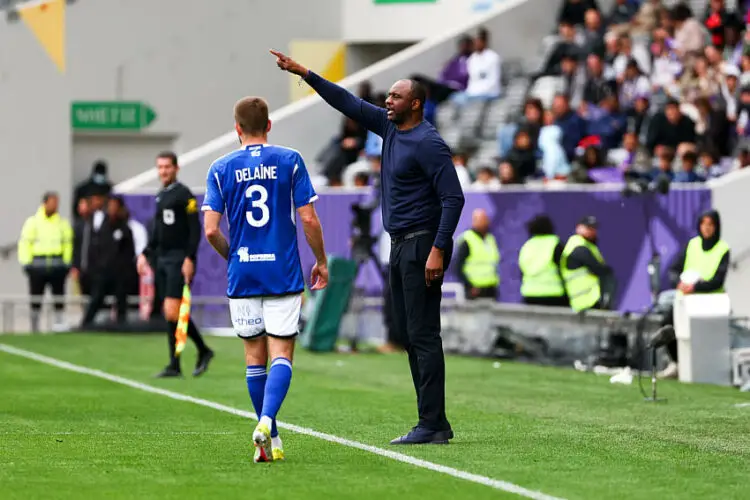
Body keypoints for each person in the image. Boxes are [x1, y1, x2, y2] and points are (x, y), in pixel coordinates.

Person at [271, 48, 465, 445]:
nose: (386, 102)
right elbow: (348, 102)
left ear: (414, 103)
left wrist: (438, 249)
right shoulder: (390, 127)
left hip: (421, 245)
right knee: (412, 333)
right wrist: (306, 73)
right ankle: (433, 421)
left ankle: (433, 424)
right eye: (387, 97)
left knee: (424, 335)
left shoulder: (429, 143)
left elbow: (453, 198)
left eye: (394, 97)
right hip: (399, 245)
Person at [201, 96, 329, 463]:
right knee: (282, 354)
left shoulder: (220, 168)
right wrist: (320, 261)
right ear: (269, 125)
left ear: (237, 129)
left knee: (253, 358)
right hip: (281, 271)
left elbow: (210, 231)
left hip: (243, 271)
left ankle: (270, 435)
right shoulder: (289, 160)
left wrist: (234, 258)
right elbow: (308, 219)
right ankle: (267, 421)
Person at [136, 152, 214, 378]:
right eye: (160, 167)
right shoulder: (161, 196)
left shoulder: (184, 195)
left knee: (172, 310)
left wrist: (190, 258)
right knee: (171, 313)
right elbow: (158, 232)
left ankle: (197, 352)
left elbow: (195, 229)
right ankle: (178, 362)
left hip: (178, 259)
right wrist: (145, 253)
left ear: (176, 168)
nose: (163, 171)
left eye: (167, 167)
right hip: (162, 258)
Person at [659, 209, 729, 378]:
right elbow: (674, 269)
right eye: (704, 224)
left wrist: (696, 288)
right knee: (667, 325)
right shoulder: (692, 245)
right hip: (687, 300)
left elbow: (718, 279)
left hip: (709, 301)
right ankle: (678, 363)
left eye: (710, 224)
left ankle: (704, 369)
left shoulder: (722, 248)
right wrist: (679, 283)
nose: (707, 228)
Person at [17, 192, 73, 332]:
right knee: (36, 298)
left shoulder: (62, 223)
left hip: (57, 265)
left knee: (59, 297)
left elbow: (68, 244)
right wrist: (26, 263)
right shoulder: (33, 222)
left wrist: (66, 263)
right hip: (37, 266)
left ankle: (59, 325)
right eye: (53, 202)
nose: (55, 206)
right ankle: (35, 327)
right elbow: (25, 243)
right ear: (45, 203)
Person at [80, 195, 135, 327]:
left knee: (121, 299)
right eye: (110, 206)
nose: (112, 209)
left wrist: (124, 269)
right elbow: (97, 249)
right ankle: (86, 324)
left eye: (115, 206)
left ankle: (122, 325)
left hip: (120, 273)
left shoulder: (125, 228)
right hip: (103, 272)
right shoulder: (103, 228)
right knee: (97, 297)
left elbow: (129, 252)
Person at [560, 216, 616, 312]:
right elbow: (600, 270)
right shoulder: (578, 246)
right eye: (588, 227)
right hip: (587, 301)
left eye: (593, 228)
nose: (591, 231)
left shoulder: (588, 245)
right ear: (578, 227)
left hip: (587, 301)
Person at [518, 215, 568, 307]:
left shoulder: (526, 246)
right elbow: (565, 270)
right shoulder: (555, 244)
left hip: (529, 294)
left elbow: (521, 271)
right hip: (553, 295)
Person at [455, 209, 500, 300]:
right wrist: (469, 286)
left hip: (491, 288)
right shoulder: (467, 239)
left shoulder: (490, 239)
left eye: (485, 219)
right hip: (475, 290)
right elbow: (458, 266)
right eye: (480, 219)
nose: (484, 222)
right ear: (474, 221)